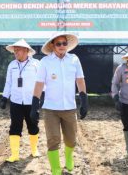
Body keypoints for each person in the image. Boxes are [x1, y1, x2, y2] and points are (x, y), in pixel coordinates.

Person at [30, 32, 88, 175]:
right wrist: (34, 105)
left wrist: (84, 100)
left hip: (69, 107)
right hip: (50, 108)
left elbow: (80, 80)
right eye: (58, 43)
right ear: (52, 45)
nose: (62, 46)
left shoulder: (74, 59)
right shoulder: (45, 62)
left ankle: (69, 159)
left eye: (64, 43)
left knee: (71, 139)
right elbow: (39, 84)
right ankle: (56, 170)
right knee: (53, 139)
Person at [0, 39, 40, 162]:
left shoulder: (36, 64)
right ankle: (14, 155)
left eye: (18, 50)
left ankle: (34, 150)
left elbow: (41, 82)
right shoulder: (12, 65)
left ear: (26, 51)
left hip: (31, 101)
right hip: (16, 101)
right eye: (14, 50)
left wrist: (40, 97)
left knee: (33, 126)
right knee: (15, 127)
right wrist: (4, 97)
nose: (15, 52)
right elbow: (8, 83)